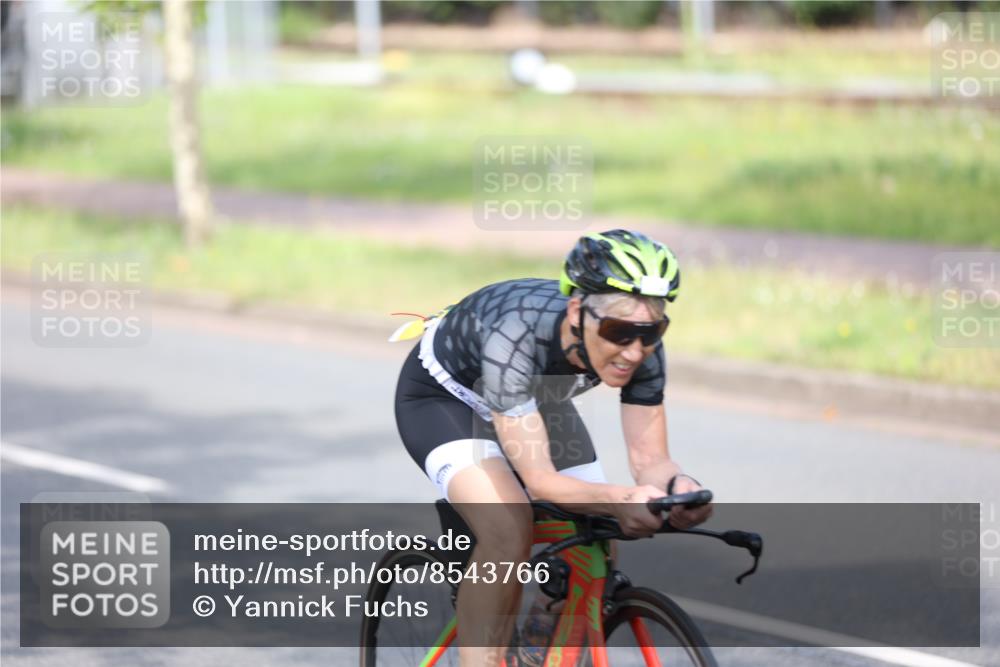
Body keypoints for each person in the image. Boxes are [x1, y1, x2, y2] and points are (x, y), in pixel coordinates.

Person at [393, 229, 713, 666]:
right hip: (447, 399)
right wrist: (621, 498)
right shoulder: (515, 333)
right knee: (508, 529)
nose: (634, 352)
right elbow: (541, 481)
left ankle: (539, 644)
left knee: (597, 538)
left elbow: (651, 460)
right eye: (619, 332)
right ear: (578, 311)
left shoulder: (640, 346)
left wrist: (679, 487)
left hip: (533, 396)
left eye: (652, 331)